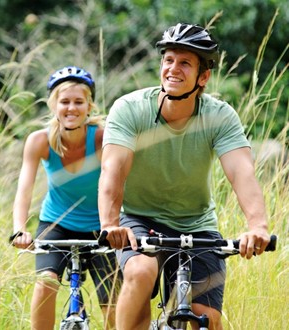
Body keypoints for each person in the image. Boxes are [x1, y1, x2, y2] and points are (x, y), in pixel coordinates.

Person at [98, 23, 271, 330]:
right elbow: (113, 170)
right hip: (140, 219)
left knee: (208, 318)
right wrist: (110, 224)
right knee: (139, 272)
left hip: (197, 225)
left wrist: (257, 227)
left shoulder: (219, 116)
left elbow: (241, 172)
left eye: (185, 63)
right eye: (168, 60)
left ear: (203, 77)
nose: (173, 69)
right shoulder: (130, 109)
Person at [10, 66, 120, 330]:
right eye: (65, 102)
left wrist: (116, 225)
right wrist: (19, 230)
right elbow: (24, 188)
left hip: (101, 226)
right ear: (53, 105)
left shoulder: (103, 138)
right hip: (56, 224)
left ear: (89, 105)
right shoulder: (39, 141)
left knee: (113, 300)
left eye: (78, 102)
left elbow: (119, 182)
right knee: (46, 282)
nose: (72, 108)